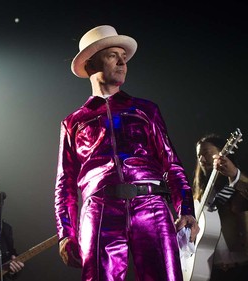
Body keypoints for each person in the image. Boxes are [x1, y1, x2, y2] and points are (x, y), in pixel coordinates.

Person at [54, 25, 199, 281]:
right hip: (99, 211)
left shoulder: (146, 110)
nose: (122, 62)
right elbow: (64, 183)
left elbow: (171, 164)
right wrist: (66, 233)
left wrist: (185, 208)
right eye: (113, 55)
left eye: (124, 56)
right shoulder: (73, 122)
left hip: (151, 205)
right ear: (91, 64)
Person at [192, 133, 248, 280]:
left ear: (222, 153)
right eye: (199, 156)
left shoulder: (237, 185)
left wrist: (235, 175)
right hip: (211, 273)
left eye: (207, 154)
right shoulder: (198, 197)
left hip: (242, 269)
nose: (202, 159)